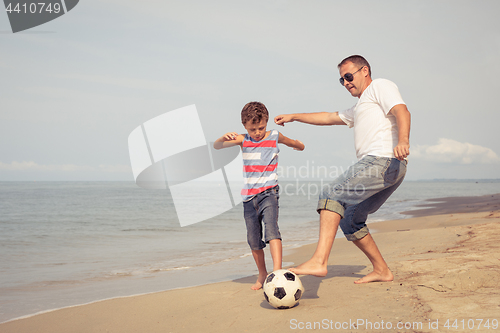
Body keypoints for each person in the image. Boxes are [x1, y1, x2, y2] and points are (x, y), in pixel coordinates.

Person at [274, 55, 411, 284]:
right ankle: (382, 270)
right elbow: (328, 117)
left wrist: (403, 140)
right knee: (350, 219)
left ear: (364, 70)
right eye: (342, 80)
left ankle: (319, 260)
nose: (346, 83)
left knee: (331, 194)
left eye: (349, 76)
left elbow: (402, 111)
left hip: (383, 160)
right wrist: (294, 116)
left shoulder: (380, 86)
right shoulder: (361, 106)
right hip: (389, 169)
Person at [214, 101, 305, 290]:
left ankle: (277, 272)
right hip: (248, 198)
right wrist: (222, 137)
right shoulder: (243, 139)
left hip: (269, 192)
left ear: (266, 122)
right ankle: (262, 273)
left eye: (261, 127)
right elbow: (217, 147)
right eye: (253, 128)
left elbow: (290, 142)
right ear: (245, 126)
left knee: (271, 229)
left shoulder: (273, 136)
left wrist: (299, 145)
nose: (257, 132)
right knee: (253, 239)